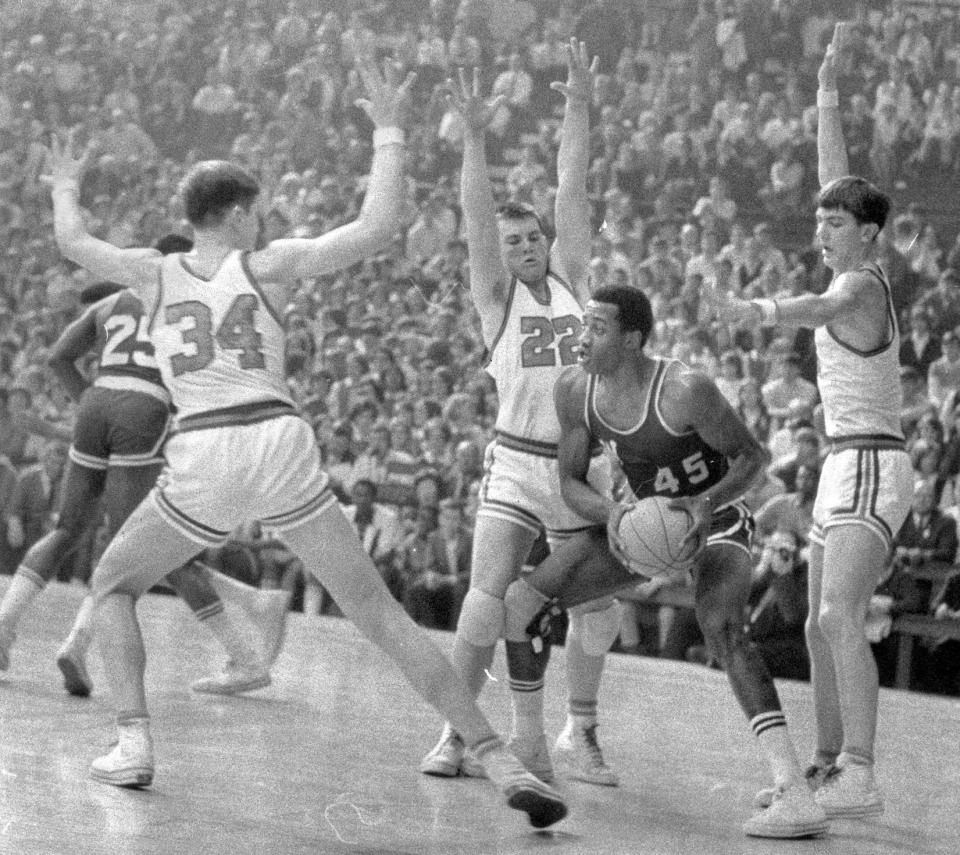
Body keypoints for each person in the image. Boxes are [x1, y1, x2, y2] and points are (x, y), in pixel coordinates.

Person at [44, 51, 565, 829]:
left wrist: (62, 181)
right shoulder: (268, 263)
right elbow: (375, 227)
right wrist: (388, 131)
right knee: (382, 615)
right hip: (280, 440)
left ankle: (134, 742)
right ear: (243, 214)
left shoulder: (152, 273)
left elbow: (71, 238)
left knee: (113, 585)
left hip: (205, 447)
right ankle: (495, 754)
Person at [501, 284, 828, 838]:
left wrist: (704, 503)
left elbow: (754, 456)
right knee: (525, 600)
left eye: (596, 328)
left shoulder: (684, 390)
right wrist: (610, 514)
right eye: (583, 325)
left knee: (723, 630)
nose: (582, 337)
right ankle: (531, 749)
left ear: (632, 339)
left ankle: (794, 789)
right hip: (642, 528)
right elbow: (570, 483)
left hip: (714, 515)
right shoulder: (575, 390)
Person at [710, 23, 914, 820]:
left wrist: (756, 306)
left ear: (867, 235)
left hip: (872, 460)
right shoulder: (850, 243)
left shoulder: (862, 284)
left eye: (835, 224)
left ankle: (861, 767)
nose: (820, 228)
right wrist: (826, 92)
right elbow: (838, 184)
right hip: (839, 462)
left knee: (837, 615)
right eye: (819, 222)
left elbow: (819, 305)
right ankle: (831, 764)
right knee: (826, 626)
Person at [420, 42, 621, 788]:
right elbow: (476, 215)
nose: (526, 246)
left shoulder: (573, 277)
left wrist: (577, 105)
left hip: (575, 463)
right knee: (483, 601)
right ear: (501, 255)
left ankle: (583, 732)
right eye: (513, 242)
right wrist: (472, 138)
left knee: (597, 613)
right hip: (513, 460)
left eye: (532, 236)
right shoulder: (495, 299)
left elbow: (572, 185)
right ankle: (461, 732)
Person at [0, 253, 289, 699]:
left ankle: (7, 627)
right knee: (139, 542)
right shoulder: (190, 302)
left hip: (98, 402)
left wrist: (91, 399)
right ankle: (239, 651)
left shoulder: (112, 302)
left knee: (68, 531)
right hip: (149, 411)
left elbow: (58, 356)